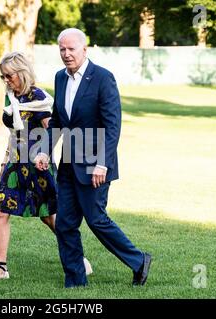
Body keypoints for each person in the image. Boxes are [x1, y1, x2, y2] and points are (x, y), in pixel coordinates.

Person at [35, 28, 152, 288]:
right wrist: (45, 149)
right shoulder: (60, 78)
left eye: (71, 49)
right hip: (68, 165)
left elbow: (113, 126)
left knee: (96, 219)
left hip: (95, 165)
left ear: (84, 50)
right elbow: (56, 120)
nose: (66, 54)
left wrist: (102, 163)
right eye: (62, 49)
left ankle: (138, 260)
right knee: (65, 224)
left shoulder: (102, 78)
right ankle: (75, 281)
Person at [0, 51, 92, 282]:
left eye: (9, 76)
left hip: (39, 166)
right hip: (15, 165)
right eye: (3, 77)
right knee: (1, 212)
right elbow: (14, 133)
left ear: (21, 73)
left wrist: (46, 155)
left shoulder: (39, 97)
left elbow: (53, 131)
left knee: (49, 217)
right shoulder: (10, 97)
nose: (6, 81)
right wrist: (6, 159)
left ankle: (78, 259)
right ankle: (0, 268)